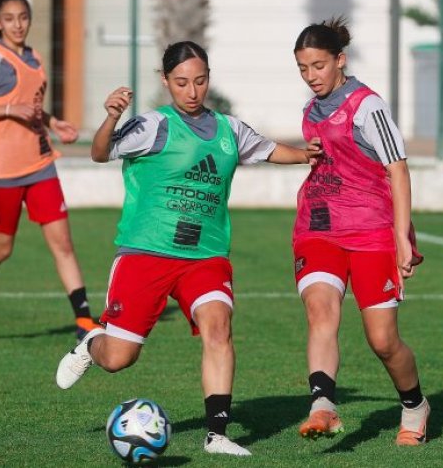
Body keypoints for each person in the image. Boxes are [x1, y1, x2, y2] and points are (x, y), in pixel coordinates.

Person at [55, 41, 320, 457]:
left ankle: (217, 436)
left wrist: (309, 155)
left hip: (206, 257)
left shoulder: (230, 131)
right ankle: (91, 344)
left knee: (219, 328)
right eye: (181, 82)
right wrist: (110, 118)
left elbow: (270, 150)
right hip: (146, 253)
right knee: (119, 358)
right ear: (166, 82)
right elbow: (100, 152)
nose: (192, 91)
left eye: (199, 81)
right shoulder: (153, 126)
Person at [291, 18, 430, 445]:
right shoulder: (311, 111)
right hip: (318, 228)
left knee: (383, 340)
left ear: (340, 60)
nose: (311, 76)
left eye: (318, 66)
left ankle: (415, 405)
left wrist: (402, 236)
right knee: (321, 309)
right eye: (302, 68)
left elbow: (398, 170)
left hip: (371, 233)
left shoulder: (368, 106)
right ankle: (323, 406)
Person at [0, 0, 99, 344]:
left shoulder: (33, 56)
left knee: (63, 243)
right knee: (1, 248)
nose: (18, 24)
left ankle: (85, 322)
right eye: (10, 19)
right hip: (1, 171)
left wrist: (51, 121)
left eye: (23, 17)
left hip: (41, 162)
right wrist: (7, 109)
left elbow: (28, 103)